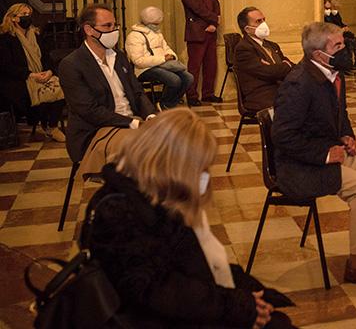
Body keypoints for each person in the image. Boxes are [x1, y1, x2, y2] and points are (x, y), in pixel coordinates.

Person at [85, 109, 295, 328]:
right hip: (154, 319)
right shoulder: (118, 211)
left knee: (277, 321)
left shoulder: (155, 195)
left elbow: (193, 260)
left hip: (189, 305)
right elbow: (156, 291)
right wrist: (235, 305)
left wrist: (247, 290)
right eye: (199, 169)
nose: (204, 178)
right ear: (172, 164)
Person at [272, 22, 356, 290]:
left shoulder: (334, 74)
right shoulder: (299, 83)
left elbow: (340, 114)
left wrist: (347, 135)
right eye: (337, 46)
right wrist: (325, 153)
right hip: (300, 167)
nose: (344, 50)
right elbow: (283, 136)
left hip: (328, 153)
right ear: (318, 54)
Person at [58, 3, 156, 169]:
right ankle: (135, 192)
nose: (114, 30)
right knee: (143, 148)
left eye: (115, 25)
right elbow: (89, 111)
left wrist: (151, 116)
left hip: (131, 123)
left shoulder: (119, 57)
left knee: (176, 139)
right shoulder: (71, 65)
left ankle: (160, 191)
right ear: (89, 30)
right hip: (95, 131)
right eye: (107, 26)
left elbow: (138, 93)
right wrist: (132, 123)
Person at [0, 3, 66, 141]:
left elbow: (47, 57)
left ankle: (52, 126)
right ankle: (43, 123)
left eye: (29, 14)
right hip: (19, 79)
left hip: (41, 74)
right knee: (35, 90)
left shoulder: (35, 35)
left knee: (59, 85)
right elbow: (6, 66)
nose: (27, 18)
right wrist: (30, 75)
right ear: (13, 18)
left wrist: (48, 71)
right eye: (23, 15)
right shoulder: (6, 38)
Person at [125, 6, 194, 110]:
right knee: (174, 80)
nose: (157, 26)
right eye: (156, 24)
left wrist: (172, 56)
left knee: (188, 78)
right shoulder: (134, 36)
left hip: (162, 65)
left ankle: (169, 104)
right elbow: (138, 61)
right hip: (144, 69)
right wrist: (162, 59)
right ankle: (164, 104)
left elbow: (166, 48)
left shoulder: (157, 34)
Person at [233, 7, 294, 113]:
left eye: (263, 20)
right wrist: (285, 66)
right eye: (258, 21)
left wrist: (283, 66)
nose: (263, 24)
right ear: (247, 29)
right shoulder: (244, 48)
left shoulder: (272, 45)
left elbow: (291, 66)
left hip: (279, 88)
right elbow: (268, 72)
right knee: (300, 103)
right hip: (261, 95)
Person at [181, 0, 222, 106]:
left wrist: (214, 23)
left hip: (211, 31)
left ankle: (208, 94)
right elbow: (196, 8)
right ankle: (192, 96)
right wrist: (214, 19)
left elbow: (216, 5)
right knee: (194, 66)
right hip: (197, 33)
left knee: (211, 65)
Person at [324, 0, 356, 69]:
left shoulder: (334, 13)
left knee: (355, 39)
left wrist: (345, 27)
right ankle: (348, 64)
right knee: (349, 41)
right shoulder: (326, 15)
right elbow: (331, 26)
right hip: (334, 35)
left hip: (340, 33)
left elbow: (340, 23)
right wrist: (341, 29)